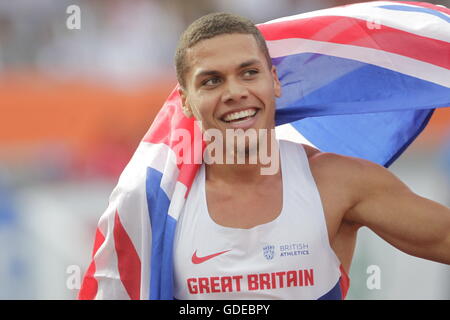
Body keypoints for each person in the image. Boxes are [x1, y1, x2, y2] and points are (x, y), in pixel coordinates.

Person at [170, 12, 450, 299]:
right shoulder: (157, 203)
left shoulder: (337, 183)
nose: (235, 92)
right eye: (212, 81)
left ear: (275, 81)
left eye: (249, 73)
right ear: (185, 101)